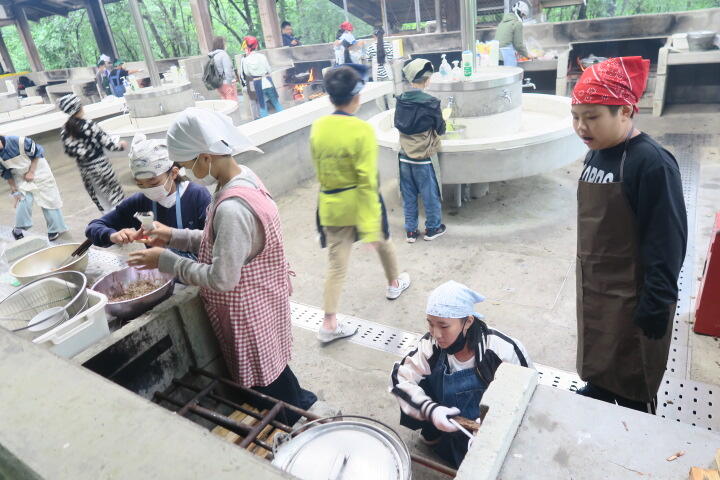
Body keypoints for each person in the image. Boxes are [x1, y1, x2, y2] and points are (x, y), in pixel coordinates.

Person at [126, 108, 316, 415]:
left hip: (249, 312)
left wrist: (166, 261)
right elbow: (224, 242)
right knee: (275, 368)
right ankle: (303, 402)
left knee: (267, 385)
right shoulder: (244, 178)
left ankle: (294, 419)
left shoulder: (232, 208)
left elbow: (222, 277)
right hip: (264, 296)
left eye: (185, 164)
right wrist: (173, 236)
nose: (184, 172)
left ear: (205, 157)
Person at [571, 57, 687, 414]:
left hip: (635, 293)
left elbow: (667, 241)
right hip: (596, 287)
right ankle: (598, 389)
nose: (581, 127)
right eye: (576, 116)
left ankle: (635, 412)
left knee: (633, 372)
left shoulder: (652, 163)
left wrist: (657, 302)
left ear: (624, 111)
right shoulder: (596, 154)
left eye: (592, 117)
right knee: (598, 354)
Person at [310, 64, 411, 343]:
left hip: (331, 205)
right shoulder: (362, 130)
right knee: (384, 242)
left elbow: (319, 170)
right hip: (360, 203)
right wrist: (369, 229)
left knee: (336, 266)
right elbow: (367, 181)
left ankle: (329, 324)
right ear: (357, 97)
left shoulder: (318, 127)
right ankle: (394, 283)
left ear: (331, 97)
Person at [389, 281, 531, 468]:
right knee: (413, 387)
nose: (436, 334)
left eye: (444, 326)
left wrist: (496, 422)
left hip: (485, 425)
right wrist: (431, 410)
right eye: (430, 324)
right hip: (447, 417)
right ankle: (433, 435)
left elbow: (527, 392)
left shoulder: (501, 349)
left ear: (468, 322)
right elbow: (400, 378)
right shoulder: (430, 345)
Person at [85, 133, 211, 258]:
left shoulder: (197, 196)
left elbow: (214, 241)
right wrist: (112, 235)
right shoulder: (139, 202)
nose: (148, 189)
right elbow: (94, 227)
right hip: (160, 268)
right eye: (140, 184)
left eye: (154, 183)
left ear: (173, 173)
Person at [394, 59, 447, 243]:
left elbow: (398, 124)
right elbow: (441, 129)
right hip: (423, 159)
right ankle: (433, 229)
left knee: (408, 196)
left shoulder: (400, 100)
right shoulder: (431, 103)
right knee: (430, 195)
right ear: (428, 80)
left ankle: (411, 231)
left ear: (410, 80)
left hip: (404, 156)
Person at [59, 94, 126, 213]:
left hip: (85, 170)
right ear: (78, 107)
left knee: (100, 198)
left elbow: (70, 151)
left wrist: (85, 153)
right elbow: (108, 144)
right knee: (115, 195)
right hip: (101, 166)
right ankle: (123, 218)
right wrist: (120, 146)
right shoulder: (89, 125)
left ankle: (109, 220)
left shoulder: (65, 130)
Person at [0, 135, 67, 241]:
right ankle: (18, 229)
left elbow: (37, 152)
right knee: (24, 199)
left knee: (49, 198)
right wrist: (14, 190)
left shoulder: (18, 141)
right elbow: (6, 173)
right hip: (20, 174)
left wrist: (31, 172)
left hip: (39, 169)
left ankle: (54, 229)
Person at [240, 36, 283, 118]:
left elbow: (247, 73)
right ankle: (285, 119)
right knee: (276, 102)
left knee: (262, 105)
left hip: (257, 83)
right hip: (267, 80)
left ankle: (265, 124)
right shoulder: (262, 56)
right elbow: (269, 69)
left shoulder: (245, 60)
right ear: (256, 46)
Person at [494, 1, 531, 67]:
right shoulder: (517, 24)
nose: (523, 18)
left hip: (496, 57)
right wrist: (528, 55)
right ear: (518, 12)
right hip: (505, 58)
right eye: (523, 15)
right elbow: (518, 45)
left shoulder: (502, 23)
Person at [209, 36, 238, 102]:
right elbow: (228, 71)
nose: (226, 45)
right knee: (232, 103)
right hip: (227, 83)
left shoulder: (212, 56)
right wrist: (230, 83)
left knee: (224, 102)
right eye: (225, 43)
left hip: (219, 84)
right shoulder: (223, 55)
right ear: (222, 44)